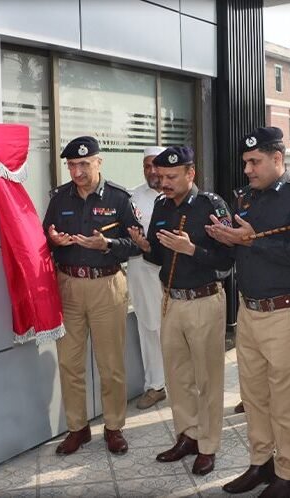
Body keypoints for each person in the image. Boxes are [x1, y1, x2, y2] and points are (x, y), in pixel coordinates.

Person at [206, 126, 290, 497]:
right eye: (245, 163)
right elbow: (238, 251)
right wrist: (224, 240)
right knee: (253, 395)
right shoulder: (245, 199)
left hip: (287, 311)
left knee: (286, 400)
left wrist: (251, 241)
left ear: (278, 158)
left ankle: (289, 472)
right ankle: (261, 464)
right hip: (250, 311)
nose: (248, 170)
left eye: (255, 162)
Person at [128, 146, 233, 476]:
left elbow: (227, 261)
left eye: (172, 177)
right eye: (161, 177)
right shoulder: (161, 205)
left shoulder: (211, 206)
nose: (164, 183)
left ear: (191, 174)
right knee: (177, 376)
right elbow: (160, 256)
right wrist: (146, 247)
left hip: (204, 301)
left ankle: (208, 444)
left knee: (208, 378)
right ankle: (187, 435)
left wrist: (191, 248)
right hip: (171, 301)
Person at [43, 136, 142, 456]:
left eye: (84, 164)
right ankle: (77, 428)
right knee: (70, 363)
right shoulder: (59, 198)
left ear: (99, 162)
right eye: (71, 165)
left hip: (106, 286)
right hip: (68, 286)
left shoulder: (119, 198)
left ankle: (114, 427)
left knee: (110, 363)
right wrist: (54, 241)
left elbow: (138, 244)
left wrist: (108, 245)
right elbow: (46, 236)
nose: (77, 171)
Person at [127, 146, 167, 410]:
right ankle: (155, 385)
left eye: (156, 165)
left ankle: (184, 383)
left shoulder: (184, 195)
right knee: (149, 327)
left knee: (180, 329)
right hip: (142, 270)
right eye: (147, 166)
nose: (152, 171)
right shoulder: (131, 198)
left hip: (176, 272)